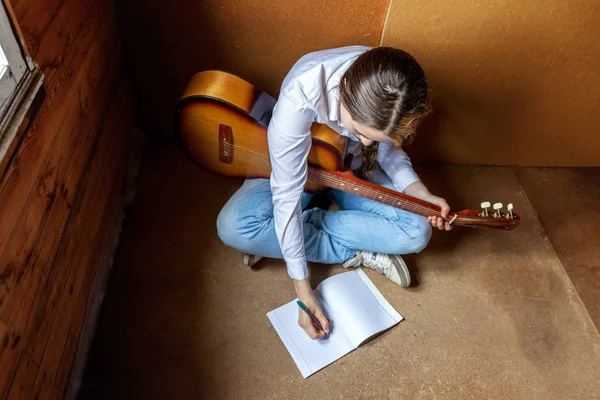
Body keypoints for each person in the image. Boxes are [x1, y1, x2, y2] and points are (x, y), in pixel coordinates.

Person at [217, 46, 452, 340]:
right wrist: (303, 291)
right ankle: (357, 246)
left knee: (417, 230)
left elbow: (387, 150)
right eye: (361, 132)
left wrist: (419, 193)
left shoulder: (389, 83)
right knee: (233, 227)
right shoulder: (299, 94)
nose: (367, 143)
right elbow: (287, 197)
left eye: (373, 138)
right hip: (295, 173)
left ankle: (291, 236)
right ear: (345, 95)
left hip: (347, 171)